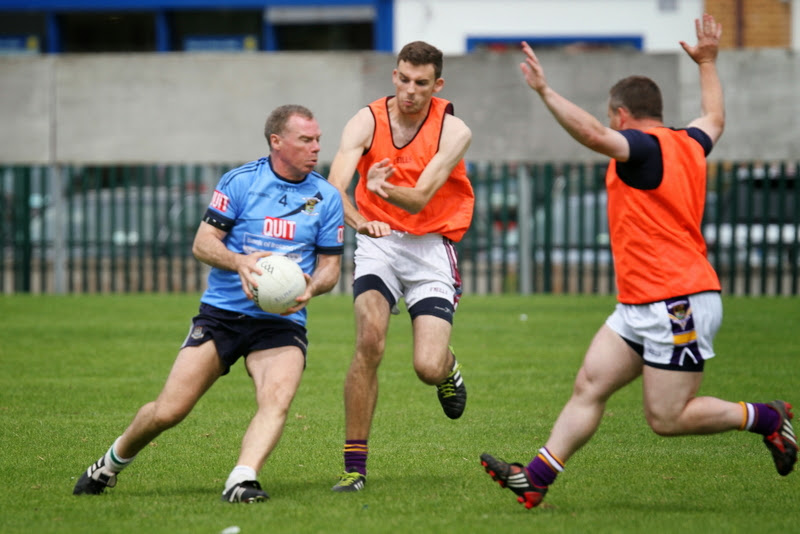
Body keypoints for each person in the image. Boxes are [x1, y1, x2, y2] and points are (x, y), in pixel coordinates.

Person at [480, 14, 796, 509]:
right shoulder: (689, 141)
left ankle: (767, 418)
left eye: (613, 120)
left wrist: (545, 91)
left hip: (677, 302)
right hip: (641, 302)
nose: (610, 127)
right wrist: (708, 63)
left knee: (667, 418)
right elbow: (715, 118)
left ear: (623, 115)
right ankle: (536, 478)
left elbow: (589, 134)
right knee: (590, 383)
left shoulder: (643, 148)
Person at [72, 104, 345, 503]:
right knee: (169, 410)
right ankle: (110, 464)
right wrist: (239, 263)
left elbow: (331, 268)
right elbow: (203, 244)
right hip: (222, 316)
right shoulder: (240, 183)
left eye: (318, 138)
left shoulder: (326, 196)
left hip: (280, 322)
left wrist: (310, 290)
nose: (316, 147)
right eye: (306, 139)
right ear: (276, 142)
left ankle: (242, 479)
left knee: (276, 400)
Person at [327, 41, 474, 492]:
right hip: (380, 242)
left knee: (426, 367)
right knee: (369, 342)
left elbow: (419, 197)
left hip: (431, 245)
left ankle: (447, 368)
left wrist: (380, 189)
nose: (411, 91)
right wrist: (361, 220)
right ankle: (355, 468)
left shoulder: (454, 130)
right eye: (404, 80)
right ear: (394, 75)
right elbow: (335, 188)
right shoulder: (366, 120)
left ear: (438, 84)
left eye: (422, 83)